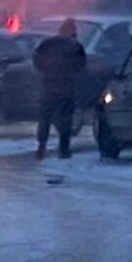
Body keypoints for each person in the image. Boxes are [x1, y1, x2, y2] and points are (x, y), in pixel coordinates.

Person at [32, 19, 87, 160]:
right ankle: (64, 149)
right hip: (67, 87)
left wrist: (46, 71)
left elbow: (36, 59)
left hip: (49, 86)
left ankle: (41, 147)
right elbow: (81, 65)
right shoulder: (75, 46)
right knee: (65, 119)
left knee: (45, 118)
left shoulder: (47, 43)